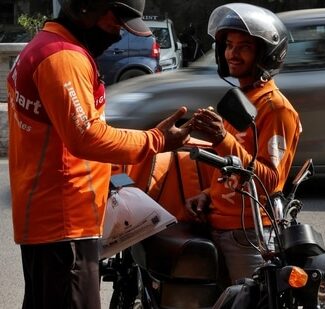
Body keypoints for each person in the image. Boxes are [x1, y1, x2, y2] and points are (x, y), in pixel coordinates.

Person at [6, 0, 191, 308]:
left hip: (49, 219)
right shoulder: (63, 57)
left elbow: (64, 137)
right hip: (65, 225)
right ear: (86, 6)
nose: (118, 32)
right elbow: (85, 136)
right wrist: (156, 140)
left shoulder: (44, 46)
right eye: (115, 21)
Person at [185, 3, 302, 284]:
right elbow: (229, 167)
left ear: (265, 54)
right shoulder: (242, 99)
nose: (232, 54)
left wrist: (221, 138)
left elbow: (271, 180)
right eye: (228, 45)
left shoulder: (275, 109)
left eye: (244, 47)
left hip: (248, 234)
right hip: (217, 224)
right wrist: (207, 193)